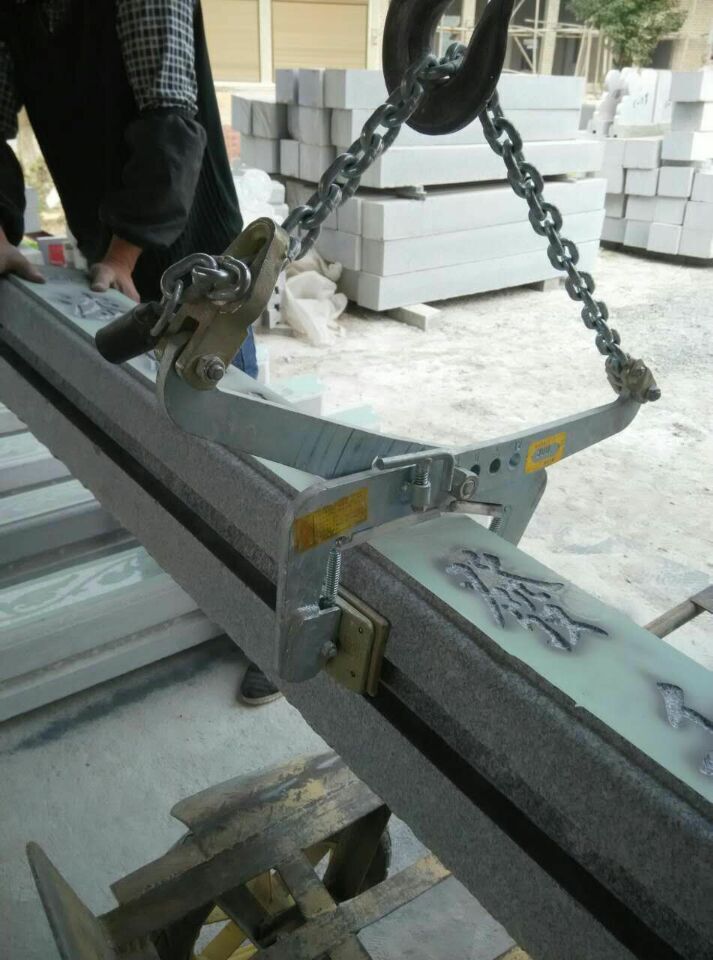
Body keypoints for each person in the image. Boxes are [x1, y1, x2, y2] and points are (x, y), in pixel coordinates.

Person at [0, 0, 280, 707]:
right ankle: (190, 557)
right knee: (146, 419)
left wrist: (127, 253)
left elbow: (170, 120)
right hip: (109, 239)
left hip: (194, 247)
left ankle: (274, 627)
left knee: (234, 447)